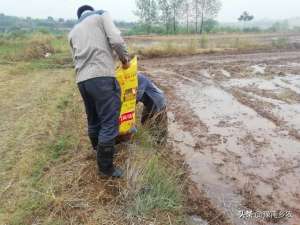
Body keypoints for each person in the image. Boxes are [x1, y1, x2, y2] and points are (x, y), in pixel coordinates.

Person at [68, 5, 130, 178]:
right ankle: (105, 168)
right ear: (91, 10)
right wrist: (124, 59)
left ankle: (99, 152)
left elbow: (74, 57)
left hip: (82, 81)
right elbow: (116, 40)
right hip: (101, 77)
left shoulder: (72, 31)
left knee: (93, 119)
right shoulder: (101, 15)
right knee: (110, 122)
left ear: (79, 16)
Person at [137, 73, 168, 145]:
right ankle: (147, 137)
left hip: (157, 101)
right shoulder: (130, 80)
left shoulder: (140, 78)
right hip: (149, 102)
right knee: (144, 120)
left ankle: (160, 144)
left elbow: (137, 96)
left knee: (159, 124)